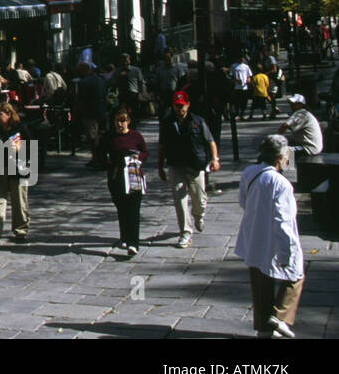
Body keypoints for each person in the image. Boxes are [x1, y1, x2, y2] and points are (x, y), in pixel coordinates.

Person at [235, 135, 305, 338]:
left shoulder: (249, 172)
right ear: (280, 158)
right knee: (296, 274)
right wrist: (286, 251)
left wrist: (258, 213)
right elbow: (284, 221)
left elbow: (243, 201)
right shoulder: (281, 183)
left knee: (260, 282)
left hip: (253, 233)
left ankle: (263, 329)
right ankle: (279, 316)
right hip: (273, 236)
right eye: (287, 154)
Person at [157, 91, 220, 248]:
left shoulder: (198, 121)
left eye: (182, 105)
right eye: (177, 106)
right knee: (180, 199)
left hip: (195, 165)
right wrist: (160, 166)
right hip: (176, 165)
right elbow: (162, 146)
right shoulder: (167, 123)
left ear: (188, 105)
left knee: (199, 197)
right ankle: (185, 232)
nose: (180, 109)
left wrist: (215, 159)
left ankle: (199, 215)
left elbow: (210, 141)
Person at [103, 106, 148, 257]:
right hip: (116, 176)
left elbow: (145, 152)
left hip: (133, 174)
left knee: (133, 209)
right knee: (121, 207)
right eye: (117, 120)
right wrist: (110, 163)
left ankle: (133, 243)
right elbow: (101, 154)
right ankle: (125, 236)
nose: (119, 124)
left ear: (128, 121)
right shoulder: (109, 137)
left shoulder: (136, 136)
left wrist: (137, 158)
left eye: (123, 120)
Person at [0, 103, 29, 245]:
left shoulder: (21, 129)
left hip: (18, 169)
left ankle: (20, 230)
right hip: (0, 170)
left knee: (19, 201)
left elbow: (31, 147)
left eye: (1, 114)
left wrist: (20, 150)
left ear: (9, 114)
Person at [73, 61, 108, 169]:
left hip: (89, 113)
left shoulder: (84, 82)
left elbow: (80, 100)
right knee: (101, 136)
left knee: (92, 137)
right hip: (102, 111)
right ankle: (102, 158)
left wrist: (77, 113)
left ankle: (96, 159)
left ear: (83, 70)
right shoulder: (101, 80)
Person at [276, 94, 323, 168]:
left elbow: (285, 126)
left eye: (294, 104)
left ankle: (285, 170)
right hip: (311, 145)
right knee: (287, 142)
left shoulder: (301, 113)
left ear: (301, 105)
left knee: (282, 150)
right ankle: (287, 168)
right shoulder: (305, 113)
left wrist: (276, 138)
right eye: (291, 104)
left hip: (308, 147)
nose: (291, 106)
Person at [231, 54, 252, 120]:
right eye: (241, 58)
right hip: (237, 87)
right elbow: (231, 75)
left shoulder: (246, 66)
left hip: (244, 87)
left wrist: (248, 80)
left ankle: (242, 114)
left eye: (243, 58)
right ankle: (237, 114)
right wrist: (236, 80)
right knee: (237, 101)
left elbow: (249, 76)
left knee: (244, 102)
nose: (242, 59)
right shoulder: (234, 66)